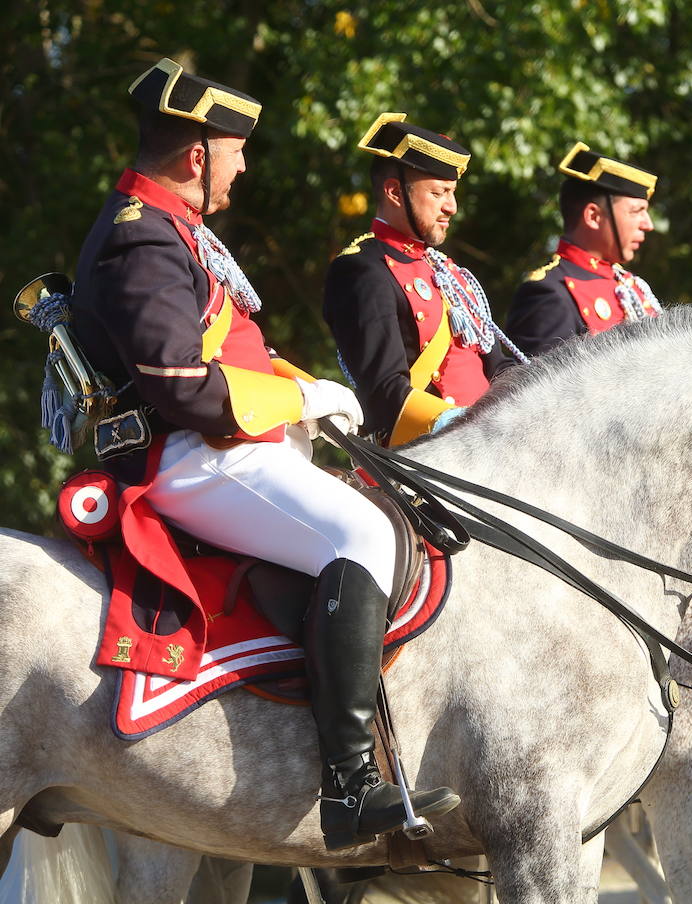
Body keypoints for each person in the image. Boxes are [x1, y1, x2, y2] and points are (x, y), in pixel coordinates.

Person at [69, 58, 459, 848]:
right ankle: (349, 783)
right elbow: (183, 385)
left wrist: (305, 387)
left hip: (232, 446)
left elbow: (237, 353)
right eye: (235, 149)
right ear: (194, 157)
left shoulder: (178, 232)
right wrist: (302, 401)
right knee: (365, 537)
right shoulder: (139, 239)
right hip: (187, 457)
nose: (243, 165)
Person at [323, 113, 520, 447]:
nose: (452, 207)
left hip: (489, 448)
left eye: (452, 192)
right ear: (394, 192)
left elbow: (496, 365)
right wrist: (474, 430)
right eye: (438, 193)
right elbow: (385, 392)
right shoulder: (363, 269)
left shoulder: (450, 273)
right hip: (425, 459)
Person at [506, 141, 661, 356]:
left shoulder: (631, 286)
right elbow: (539, 388)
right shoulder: (550, 293)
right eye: (636, 211)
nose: (648, 224)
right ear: (593, 217)